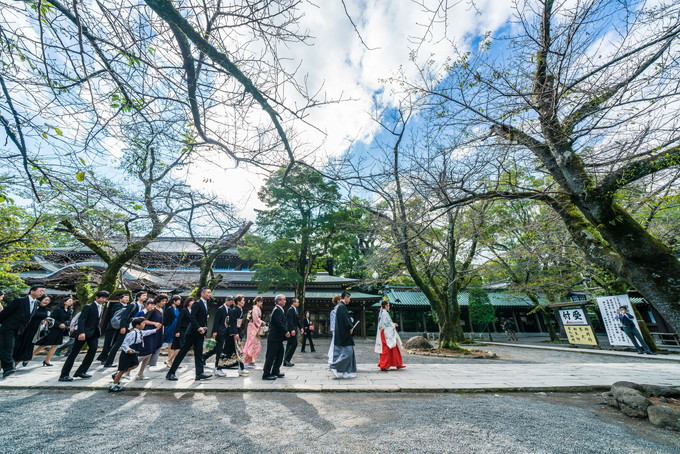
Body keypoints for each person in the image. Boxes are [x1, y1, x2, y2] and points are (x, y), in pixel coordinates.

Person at [59, 290, 109, 381]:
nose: (103, 299)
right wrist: (81, 332)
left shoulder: (101, 307)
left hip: (94, 333)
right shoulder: (89, 306)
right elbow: (82, 319)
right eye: (102, 297)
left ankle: (81, 371)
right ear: (96, 297)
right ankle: (64, 375)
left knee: (93, 350)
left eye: (105, 298)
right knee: (74, 353)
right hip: (84, 333)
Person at [166, 288, 212, 381]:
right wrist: (198, 327)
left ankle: (199, 373)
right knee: (182, 352)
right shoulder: (197, 303)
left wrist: (204, 329)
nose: (209, 294)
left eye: (210, 293)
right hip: (192, 333)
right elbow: (193, 317)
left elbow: (203, 318)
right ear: (202, 293)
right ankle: (171, 373)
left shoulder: (206, 303)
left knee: (199, 352)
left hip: (200, 333)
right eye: (208, 292)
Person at [0, 285, 45, 378]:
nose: (42, 293)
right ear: (32, 291)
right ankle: (8, 369)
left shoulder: (36, 303)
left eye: (43, 291)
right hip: (8, 328)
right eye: (40, 291)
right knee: (8, 348)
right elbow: (5, 313)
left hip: (20, 330)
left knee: (10, 348)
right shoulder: (19, 301)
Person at [109, 317, 162, 393]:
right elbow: (124, 342)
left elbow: (147, 332)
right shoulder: (132, 333)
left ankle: (118, 375)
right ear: (137, 325)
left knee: (135, 365)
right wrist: (128, 349)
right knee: (123, 369)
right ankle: (114, 385)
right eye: (143, 324)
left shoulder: (140, 332)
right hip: (127, 353)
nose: (144, 325)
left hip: (134, 352)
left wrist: (156, 330)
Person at [103, 291, 148, 367]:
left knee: (129, 344)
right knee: (118, 344)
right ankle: (108, 362)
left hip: (132, 328)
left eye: (146, 296)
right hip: (126, 327)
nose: (145, 297)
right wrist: (123, 326)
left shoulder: (142, 306)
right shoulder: (132, 305)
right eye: (143, 295)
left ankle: (128, 362)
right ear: (138, 297)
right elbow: (124, 316)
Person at [34, 296, 74, 366]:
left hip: (61, 330)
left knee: (55, 345)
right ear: (64, 302)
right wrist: (59, 324)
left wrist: (65, 324)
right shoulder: (58, 309)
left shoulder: (70, 311)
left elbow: (70, 320)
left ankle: (47, 360)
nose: (71, 302)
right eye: (69, 300)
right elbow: (52, 319)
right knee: (44, 344)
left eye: (72, 301)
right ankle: (30, 356)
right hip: (53, 329)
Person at [14, 294, 51, 367]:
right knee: (17, 347)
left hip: (34, 332)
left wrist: (46, 321)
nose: (47, 301)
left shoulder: (47, 310)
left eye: (49, 300)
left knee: (27, 348)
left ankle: (14, 366)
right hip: (24, 329)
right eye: (45, 299)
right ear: (41, 299)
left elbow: (48, 318)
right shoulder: (33, 305)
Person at [262, 294, 290, 380]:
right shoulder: (277, 310)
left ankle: (275, 370)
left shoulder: (279, 310)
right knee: (271, 356)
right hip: (274, 338)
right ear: (279, 301)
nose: (285, 301)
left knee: (280, 354)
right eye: (284, 300)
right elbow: (279, 323)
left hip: (278, 338)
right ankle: (266, 374)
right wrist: (286, 331)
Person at [329, 291, 357, 379]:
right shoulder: (341, 307)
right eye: (349, 297)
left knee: (349, 353)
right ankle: (334, 366)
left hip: (343, 333)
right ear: (346, 297)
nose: (350, 299)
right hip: (344, 334)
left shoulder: (342, 307)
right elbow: (346, 320)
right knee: (347, 353)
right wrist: (350, 327)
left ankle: (346, 372)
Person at [133, 299, 163, 380]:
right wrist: (154, 323)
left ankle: (140, 373)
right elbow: (143, 320)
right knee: (146, 353)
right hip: (147, 333)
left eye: (153, 305)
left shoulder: (159, 311)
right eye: (151, 305)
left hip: (154, 333)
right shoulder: (150, 312)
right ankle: (126, 369)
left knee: (149, 353)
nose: (152, 306)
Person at [97, 293, 130, 363]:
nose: (127, 299)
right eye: (125, 297)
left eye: (128, 298)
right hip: (112, 326)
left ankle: (105, 356)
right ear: (120, 299)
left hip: (119, 327)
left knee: (114, 342)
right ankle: (104, 357)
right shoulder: (117, 305)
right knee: (108, 342)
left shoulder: (127, 306)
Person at [203, 295, 231, 377]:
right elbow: (216, 321)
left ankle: (204, 356)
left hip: (224, 331)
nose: (231, 303)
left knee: (216, 348)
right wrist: (214, 331)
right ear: (227, 300)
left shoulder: (228, 309)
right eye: (230, 301)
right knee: (219, 349)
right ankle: (217, 364)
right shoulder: (220, 309)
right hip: (219, 331)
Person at [375, 301, 405, 371]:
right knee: (387, 347)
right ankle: (384, 365)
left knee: (393, 346)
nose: (389, 307)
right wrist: (393, 325)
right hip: (386, 333)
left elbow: (386, 323)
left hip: (386, 332)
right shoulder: (384, 313)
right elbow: (386, 324)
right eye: (388, 305)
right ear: (385, 306)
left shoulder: (383, 313)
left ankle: (398, 363)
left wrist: (392, 324)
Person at [226, 294, 249, 376]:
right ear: (238, 302)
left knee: (240, 350)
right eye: (243, 300)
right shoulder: (234, 310)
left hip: (238, 330)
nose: (244, 302)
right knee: (228, 351)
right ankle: (219, 368)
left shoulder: (240, 309)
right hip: (234, 332)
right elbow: (232, 322)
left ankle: (241, 368)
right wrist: (235, 333)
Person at [169, 297, 193, 367]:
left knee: (182, 347)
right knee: (180, 347)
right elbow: (179, 321)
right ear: (188, 302)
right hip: (182, 330)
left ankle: (174, 362)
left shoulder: (192, 310)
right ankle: (169, 360)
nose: (193, 302)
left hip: (188, 331)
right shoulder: (184, 310)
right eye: (192, 301)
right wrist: (177, 331)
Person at [243, 296, 265, 367]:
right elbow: (255, 319)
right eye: (260, 301)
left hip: (252, 326)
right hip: (253, 327)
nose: (261, 303)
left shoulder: (255, 308)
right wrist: (261, 322)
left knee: (254, 344)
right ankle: (247, 361)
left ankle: (250, 361)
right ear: (257, 302)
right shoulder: (255, 308)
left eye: (261, 302)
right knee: (252, 344)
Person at [147, 294, 167, 368]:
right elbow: (144, 320)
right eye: (162, 301)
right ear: (158, 301)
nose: (164, 303)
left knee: (158, 346)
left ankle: (153, 363)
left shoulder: (161, 310)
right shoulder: (153, 310)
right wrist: (154, 323)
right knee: (151, 346)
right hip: (152, 330)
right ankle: (146, 362)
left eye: (165, 301)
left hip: (159, 331)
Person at [162, 295, 182, 367]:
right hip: (170, 326)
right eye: (178, 300)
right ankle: (169, 361)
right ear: (174, 301)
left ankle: (171, 360)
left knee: (175, 345)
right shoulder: (169, 309)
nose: (179, 302)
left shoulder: (177, 309)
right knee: (170, 344)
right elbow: (165, 319)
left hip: (176, 327)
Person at [283, 298, 301, 367]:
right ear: (294, 303)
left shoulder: (294, 310)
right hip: (291, 330)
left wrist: (300, 327)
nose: (298, 303)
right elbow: (289, 321)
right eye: (297, 302)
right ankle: (287, 360)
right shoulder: (291, 310)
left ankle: (286, 361)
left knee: (289, 344)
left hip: (293, 329)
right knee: (294, 343)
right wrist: (292, 330)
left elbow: (296, 320)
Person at [327, 295, 341, 366]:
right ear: (338, 301)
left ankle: (334, 360)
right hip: (336, 330)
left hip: (338, 330)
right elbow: (333, 323)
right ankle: (332, 360)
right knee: (334, 344)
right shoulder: (334, 311)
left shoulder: (339, 309)